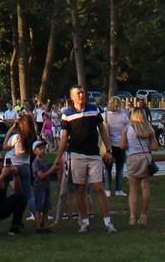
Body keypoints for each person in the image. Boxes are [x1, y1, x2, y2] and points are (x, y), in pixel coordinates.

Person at [59, 86, 115, 233]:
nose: (81, 95)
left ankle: (108, 222)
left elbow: (102, 129)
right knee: (80, 189)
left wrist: (108, 150)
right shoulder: (67, 114)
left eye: (83, 92)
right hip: (76, 155)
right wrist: (59, 157)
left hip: (94, 155)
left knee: (99, 187)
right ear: (72, 97)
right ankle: (84, 221)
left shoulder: (94, 109)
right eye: (78, 93)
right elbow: (64, 137)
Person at [122, 108, 156, 224]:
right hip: (146, 157)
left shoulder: (127, 128)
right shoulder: (149, 128)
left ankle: (132, 216)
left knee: (133, 189)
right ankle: (144, 215)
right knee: (145, 187)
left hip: (132, 157)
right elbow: (155, 147)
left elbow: (123, 146)